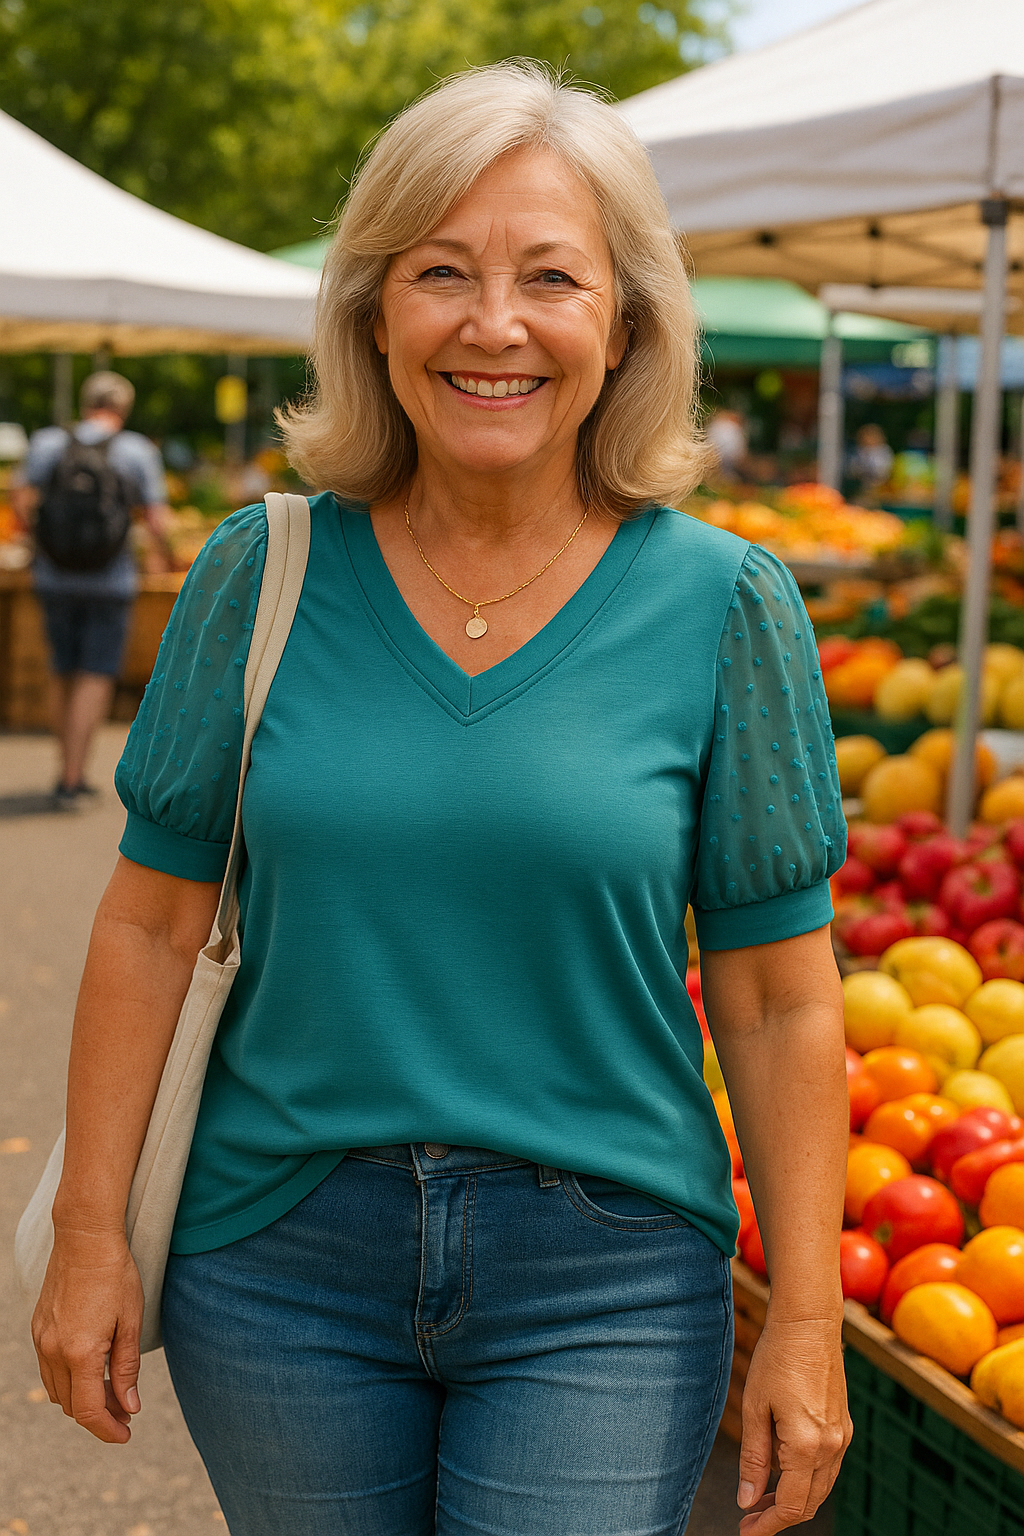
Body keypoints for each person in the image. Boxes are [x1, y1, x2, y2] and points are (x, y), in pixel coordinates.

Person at [31, 63, 852, 1536]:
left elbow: (783, 999)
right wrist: (90, 1232)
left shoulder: (726, 606)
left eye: (552, 276)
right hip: (277, 1259)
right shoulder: (258, 574)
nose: (495, 324)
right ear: (373, 312)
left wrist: (804, 1316)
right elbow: (148, 927)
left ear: (626, 322)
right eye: (441, 274)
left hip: (605, 1279)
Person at [13, 370, 170, 808]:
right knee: (95, 672)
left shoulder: (48, 442)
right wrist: (163, 553)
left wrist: (38, 540)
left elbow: (20, 497)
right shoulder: (136, 450)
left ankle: (62, 768)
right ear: (122, 408)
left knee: (61, 668)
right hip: (111, 580)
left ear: (86, 402)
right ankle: (73, 776)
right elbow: (157, 519)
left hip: (53, 575)